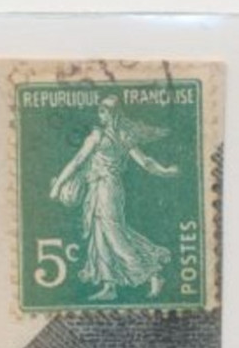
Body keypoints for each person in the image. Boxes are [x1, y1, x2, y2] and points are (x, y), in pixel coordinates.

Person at [48, 95, 180, 302]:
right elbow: (145, 162)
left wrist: (57, 185)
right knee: (100, 234)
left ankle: (152, 274)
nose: (100, 115)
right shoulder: (123, 135)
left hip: (106, 189)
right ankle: (109, 286)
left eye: (104, 111)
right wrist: (164, 171)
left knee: (114, 234)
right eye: (100, 111)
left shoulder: (98, 136)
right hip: (101, 188)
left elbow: (77, 162)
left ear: (113, 114)